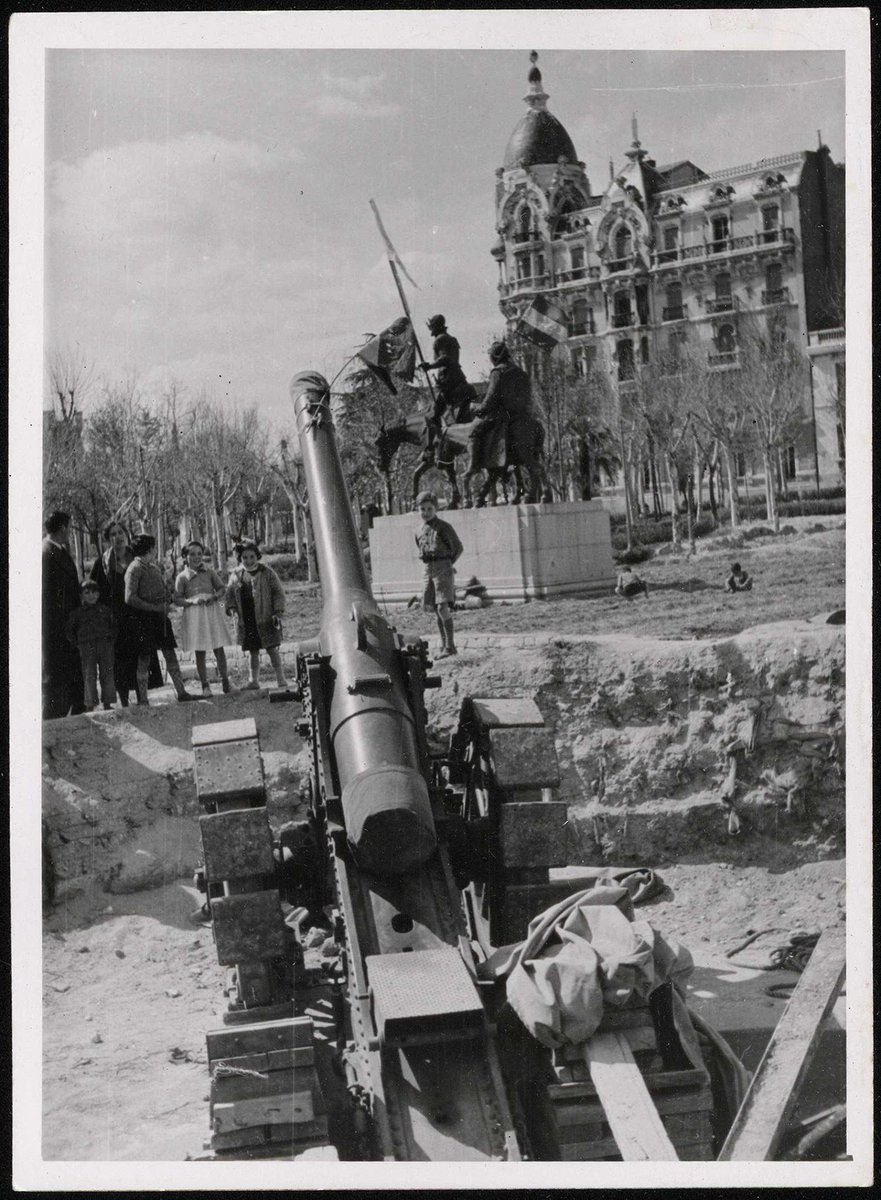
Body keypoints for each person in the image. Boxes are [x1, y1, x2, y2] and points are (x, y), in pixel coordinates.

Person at [90, 520, 161, 706]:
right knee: (120, 661)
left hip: (139, 615)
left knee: (141, 657)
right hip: (116, 620)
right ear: (108, 540)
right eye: (112, 534)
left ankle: (142, 697)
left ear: (126, 534)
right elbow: (94, 591)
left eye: (120, 532)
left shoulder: (137, 557)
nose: (117, 537)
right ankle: (124, 701)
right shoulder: (102, 563)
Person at [124, 533, 197, 703]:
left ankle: (181, 693)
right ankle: (143, 699)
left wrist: (167, 600)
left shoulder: (154, 568)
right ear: (148, 549)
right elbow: (129, 597)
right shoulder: (134, 569)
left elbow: (164, 590)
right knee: (144, 658)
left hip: (160, 620)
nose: (154, 551)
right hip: (143, 620)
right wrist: (153, 607)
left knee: (170, 654)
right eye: (153, 548)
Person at [225, 540, 288, 690]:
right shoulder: (235, 575)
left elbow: (279, 593)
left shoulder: (267, 572)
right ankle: (254, 681)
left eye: (252, 557)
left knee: (272, 648)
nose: (248, 560)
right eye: (245, 557)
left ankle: (281, 678)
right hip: (247, 619)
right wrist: (230, 608)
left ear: (257, 556)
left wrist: (278, 611)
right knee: (253, 651)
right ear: (240, 558)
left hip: (266, 618)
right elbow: (229, 596)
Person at [175, 540, 234, 697]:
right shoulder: (182, 577)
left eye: (199, 554)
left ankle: (226, 682)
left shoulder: (209, 572)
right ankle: (205, 686)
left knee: (218, 647)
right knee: (200, 650)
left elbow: (222, 588)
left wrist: (214, 597)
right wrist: (191, 601)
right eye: (192, 554)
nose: (196, 557)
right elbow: (177, 599)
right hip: (195, 616)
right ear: (185, 557)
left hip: (211, 612)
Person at [42, 510, 86, 719]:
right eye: (69, 527)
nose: (70, 532)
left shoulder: (58, 550)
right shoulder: (46, 553)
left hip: (67, 626)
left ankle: (74, 713)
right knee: (56, 681)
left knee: (69, 678)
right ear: (62, 528)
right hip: (56, 629)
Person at [467, 339, 532, 480]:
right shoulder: (520, 372)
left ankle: (475, 466)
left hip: (501, 416)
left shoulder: (497, 372)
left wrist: (478, 410)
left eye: (491, 356)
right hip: (523, 415)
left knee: (474, 432)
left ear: (495, 357)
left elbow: (491, 397)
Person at [414, 490, 464, 658]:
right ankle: (444, 646)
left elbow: (457, 548)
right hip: (428, 569)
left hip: (443, 568)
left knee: (443, 607)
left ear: (435, 509)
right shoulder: (419, 530)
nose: (425, 513)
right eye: (422, 509)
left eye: (429, 509)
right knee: (435, 608)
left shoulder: (444, 528)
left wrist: (448, 565)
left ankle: (450, 647)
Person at [419, 315, 474, 444]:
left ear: (436, 327)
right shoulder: (451, 339)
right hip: (458, 379)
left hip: (448, 383)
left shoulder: (440, 339)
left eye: (431, 326)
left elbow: (445, 358)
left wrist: (429, 366)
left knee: (433, 416)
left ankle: (436, 448)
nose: (430, 330)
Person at [66, 579, 117, 711]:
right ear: (81, 595)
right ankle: (90, 703)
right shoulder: (77, 613)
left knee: (107, 672)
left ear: (99, 594)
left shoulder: (105, 610)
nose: (91, 595)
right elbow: (69, 630)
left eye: (94, 592)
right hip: (86, 646)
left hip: (105, 645)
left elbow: (114, 626)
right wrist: (76, 643)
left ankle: (108, 702)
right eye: (87, 592)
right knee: (89, 674)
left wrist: (110, 641)